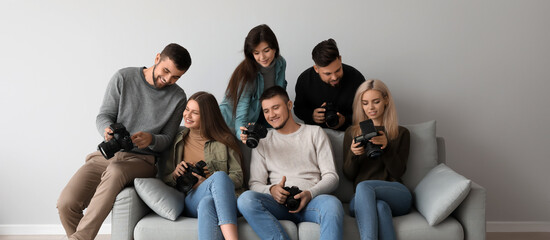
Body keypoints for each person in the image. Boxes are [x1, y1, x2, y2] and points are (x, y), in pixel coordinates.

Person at [57, 43, 191, 240]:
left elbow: (168, 140)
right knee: (66, 203)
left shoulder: (178, 97)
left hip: (142, 162)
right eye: (166, 71)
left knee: (116, 170)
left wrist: (151, 139)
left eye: (176, 77)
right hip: (110, 153)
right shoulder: (124, 77)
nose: (167, 80)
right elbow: (104, 115)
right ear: (156, 59)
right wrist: (107, 129)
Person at [237, 86, 344, 240]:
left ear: (288, 105)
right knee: (245, 200)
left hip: (312, 202)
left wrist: (310, 193)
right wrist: (272, 189)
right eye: (266, 111)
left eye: (275, 108)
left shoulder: (315, 133)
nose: (271, 115)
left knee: (333, 204)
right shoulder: (263, 141)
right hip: (278, 204)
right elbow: (255, 184)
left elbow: (331, 177)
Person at [163, 91, 243, 240]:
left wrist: (208, 183)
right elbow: (164, 178)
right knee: (217, 180)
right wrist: (175, 174)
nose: (187, 115)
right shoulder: (177, 140)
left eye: (195, 113)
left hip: (224, 199)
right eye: (187, 109)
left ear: (206, 116)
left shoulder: (225, 140)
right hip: (191, 199)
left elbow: (238, 177)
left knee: (208, 201)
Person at [343, 79, 411, 240]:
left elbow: (398, 171)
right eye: (365, 103)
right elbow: (348, 175)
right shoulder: (352, 133)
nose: (370, 108)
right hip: (360, 198)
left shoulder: (400, 133)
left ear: (386, 100)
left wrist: (387, 148)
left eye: (376, 101)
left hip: (396, 193)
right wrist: (354, 154)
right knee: (380, 207)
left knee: (365, 187)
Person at [220, 24, 287, 139]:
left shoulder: (281, 63)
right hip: (229, 122)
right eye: (256, 53)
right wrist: (240, 134)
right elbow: (242, 110)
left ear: (274, 49)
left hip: (256, 120)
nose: (262, 57)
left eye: (266, 50)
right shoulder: (246, 74)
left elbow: (279, 95)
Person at [294, 38, 365, 131]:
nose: (334, 77)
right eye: (328, 74)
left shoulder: (356, 77)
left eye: (338, 70)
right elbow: (298, 109)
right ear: (316, 69)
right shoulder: (304, 80)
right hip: (315, 134)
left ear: (340, 59)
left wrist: (346, 120)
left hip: (349, 132)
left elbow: (366, 111)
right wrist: (311, 115)